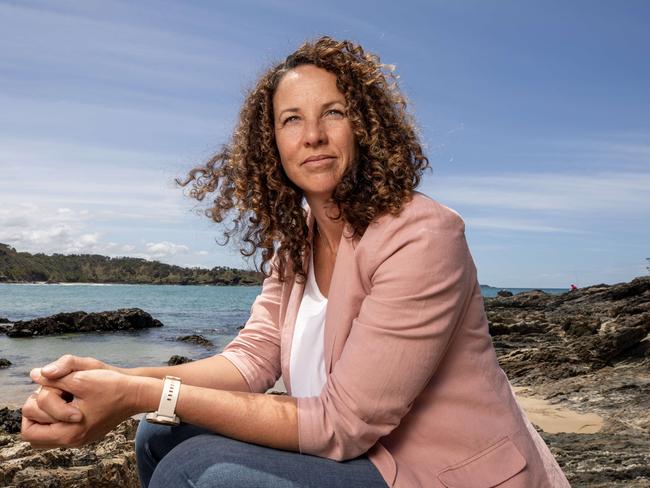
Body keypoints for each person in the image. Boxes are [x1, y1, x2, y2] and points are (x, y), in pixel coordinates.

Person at [21, 36, 570, 487]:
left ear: (366, 127)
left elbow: (342, 424)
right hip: (360, 452)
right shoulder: (297, 244)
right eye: (291, 120)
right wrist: (114, 377)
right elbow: (252, 360)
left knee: (198, 471)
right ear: (271, 144)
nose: (312, 136)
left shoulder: (423, 234)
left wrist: (141, 394)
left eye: (333, 112)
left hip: (436, 470)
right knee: (159, 434)